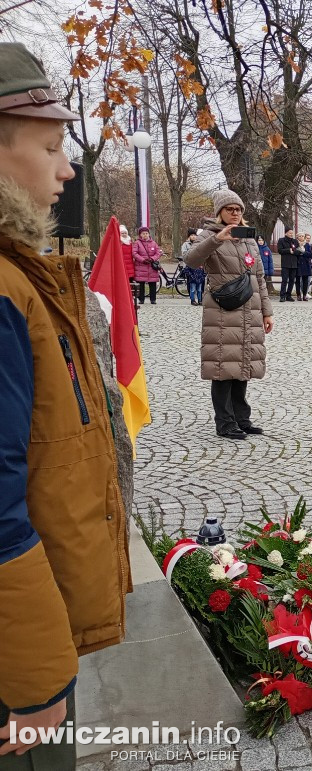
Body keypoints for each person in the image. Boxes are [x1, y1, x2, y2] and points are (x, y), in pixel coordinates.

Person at [0, 42, 129, 770]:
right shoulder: (3, 290)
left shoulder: (19, 278)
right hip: (18, 651)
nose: (68, 167)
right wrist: (36, 675)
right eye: (50, 147)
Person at [184, 190, 273, 440]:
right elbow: (191, 260)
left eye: (239, 209)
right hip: (223, 311)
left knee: (242, 365)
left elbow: (259, 278)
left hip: (250, 311)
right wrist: (217, 239)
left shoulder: (249, 240)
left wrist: (267, 311)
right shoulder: (209, 235)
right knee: (223, 368)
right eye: (230, 209)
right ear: (219, 212)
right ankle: (224, 422)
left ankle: (242, 419)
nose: (235, 213)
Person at [132, 226, 162, 305]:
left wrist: (152, 259)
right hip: (141, 266)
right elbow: (134, 253)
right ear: (140, 235)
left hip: (151, 267)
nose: (145, 235)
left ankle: (153, 299)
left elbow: (158, 253)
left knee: (152, 284)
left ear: (149, 234)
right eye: (143, 233)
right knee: (141, 284)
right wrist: (143, 260)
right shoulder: (137, 243)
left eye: (146, 233)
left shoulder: (153, 243)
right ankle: (141, 299)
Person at [276, 227, 301, 302]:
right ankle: (282, 295)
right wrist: (288, 250)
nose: (291, 234)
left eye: (292, 233)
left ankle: (288, 295)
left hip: (293, 263)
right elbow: (280, 250)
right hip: (285, 263)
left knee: (292, 280)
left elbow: (298, 251)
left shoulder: (295, 241)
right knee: (284, 280)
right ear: (286, 233)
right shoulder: (281, 240)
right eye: (290, 233)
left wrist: (294, 252)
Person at [297, 234, 312, 301]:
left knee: (305, 280)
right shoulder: (296, 244)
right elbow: (295, 253)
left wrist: (303, 252)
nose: (301, 237)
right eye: (300, 236)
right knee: (298, 280)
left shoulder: (307, 245)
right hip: (298, 264)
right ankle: (298, 295)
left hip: (306, 264)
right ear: (297, 237)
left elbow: (310, 254)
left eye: (302, 236)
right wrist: (299, 251)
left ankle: (304, 295)